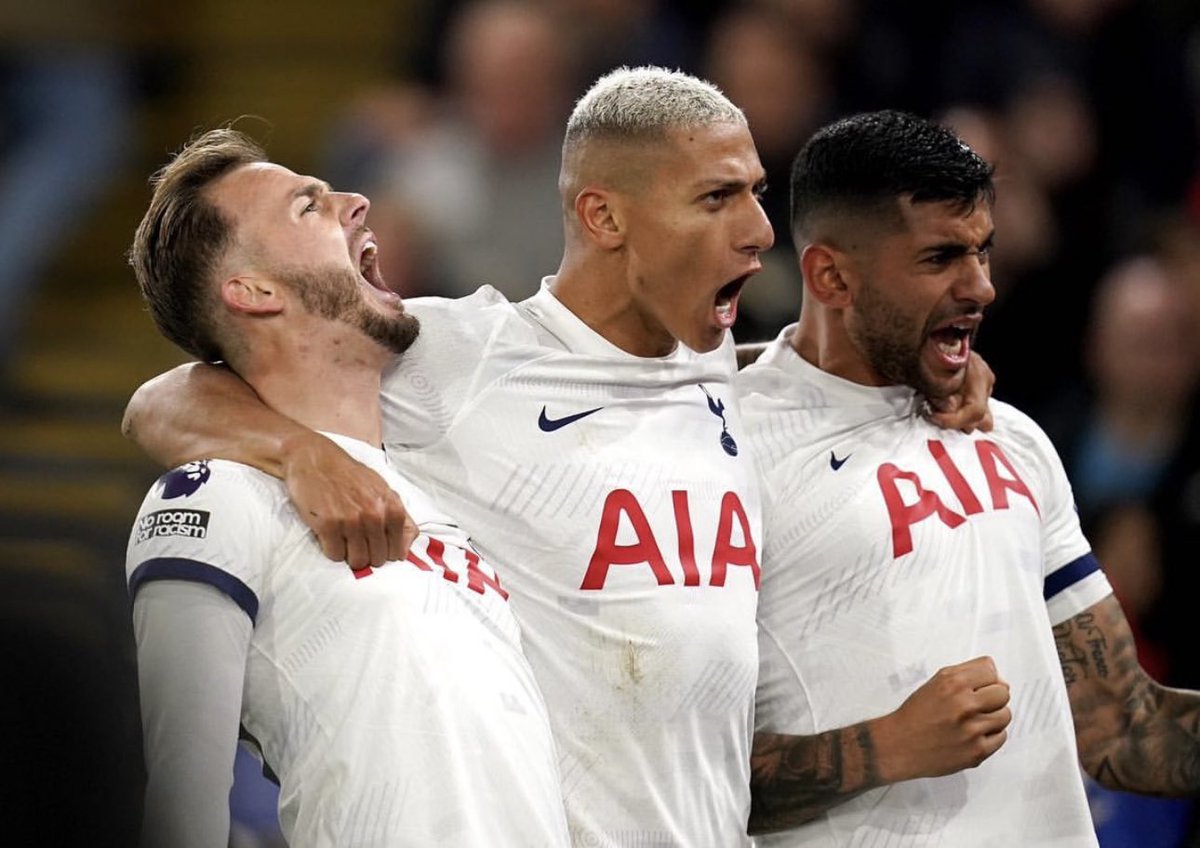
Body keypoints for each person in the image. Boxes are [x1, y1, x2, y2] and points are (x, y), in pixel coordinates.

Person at [123, 69, 995, 845]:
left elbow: (838, 365)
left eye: (757, 193)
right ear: (604, 215)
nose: (760, 231)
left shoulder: (736, 382)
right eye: (716, 197)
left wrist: (940, 363)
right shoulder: (459, 359)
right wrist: (298, 450)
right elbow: (167, 397)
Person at [738, 109, 1200, 846]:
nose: (981, 286)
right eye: (940, 258)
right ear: (829, 274)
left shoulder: (1008, 436)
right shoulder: (724, 453)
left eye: (983, 252)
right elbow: (671, 774)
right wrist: (889, 745)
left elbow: (1125, 729)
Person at [124, 128, 570, 848]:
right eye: (309, 207)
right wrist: (296, 452)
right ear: (255, 291)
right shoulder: (216, 496)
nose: (358, 202)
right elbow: (182, 807)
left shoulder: (436, 485)